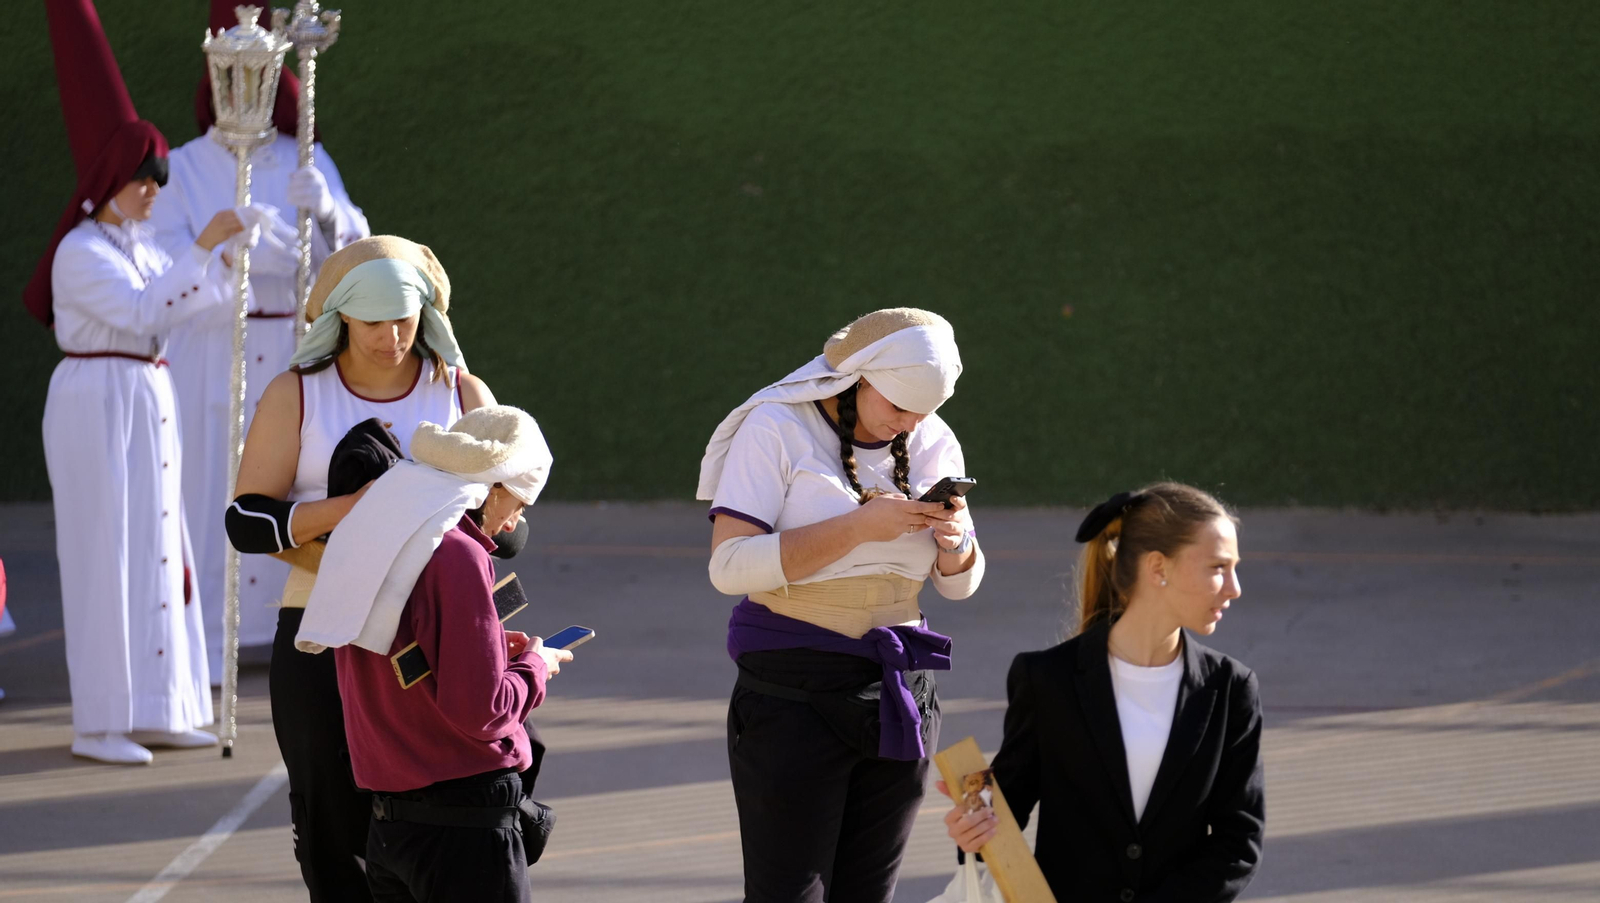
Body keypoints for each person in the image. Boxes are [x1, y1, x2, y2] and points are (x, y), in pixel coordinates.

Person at [225, 235, 503, 901]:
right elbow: (247, 519)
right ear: (340, 316)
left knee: (449, 808)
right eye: (374, 320)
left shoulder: (461, 391)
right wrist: (354, 507)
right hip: (322, 621)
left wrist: (482, 519)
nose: (392, 335)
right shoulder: (297, 393)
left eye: (404, 318)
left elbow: (506, 528)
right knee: (327, 817)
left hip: (441, 631)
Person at [26, 0, 250, 765]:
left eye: (158, 179)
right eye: (143, 180)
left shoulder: (145, 242)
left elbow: (193, 304)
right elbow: (140, 309)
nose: (155, 192)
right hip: (98, 401)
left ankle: (161, 705)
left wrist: (228, 260)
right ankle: (101, 720)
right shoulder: (81, 254)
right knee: (105, 553)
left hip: (146, 395)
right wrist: (204, 249)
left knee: (161, 545)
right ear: (110, 179)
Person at [698, 307, 985, 902]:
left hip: (900, 688)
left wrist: (956, 546)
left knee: (869, 894)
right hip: (796, 689)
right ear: (857, 377)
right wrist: (859, 527)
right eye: (898, 406)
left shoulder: (931, 436)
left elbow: (959, 586)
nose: (909, 423)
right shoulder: (777, 426)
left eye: (923, 411)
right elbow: (728, 568)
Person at [149, 0, 371, 677]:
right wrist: (226, 253)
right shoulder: (184, 166)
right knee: (210, 480)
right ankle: (207, 640)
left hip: (291, 342)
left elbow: (358, 248)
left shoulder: (302, 153)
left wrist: (330, 211)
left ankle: (299, 621)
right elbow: (161, 259)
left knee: (297, 478)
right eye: (232, 76)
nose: (245, 90)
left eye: (259, 77)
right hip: (215, 343)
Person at [293, 406, 565, 903]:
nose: (512, 524)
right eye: (520, 504)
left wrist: (480, 649)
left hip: (389, 824)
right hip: (464, 827)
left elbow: (396, 655)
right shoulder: (459, 553)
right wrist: (535, 668)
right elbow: (482, 711)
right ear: (493, 487)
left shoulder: (376, 528)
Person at [941, 483, 1265, 902]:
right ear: (1157, 567)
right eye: (1218, 567)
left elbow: (1239, 842)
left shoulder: (1231, 688)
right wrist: (973, 828)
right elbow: (1004, 809)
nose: (1234, 587)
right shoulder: (1047, 679)